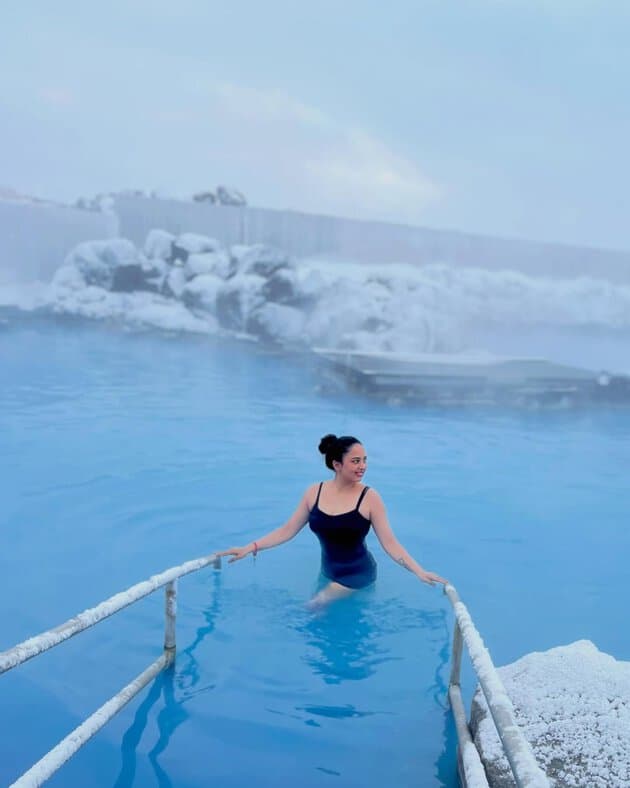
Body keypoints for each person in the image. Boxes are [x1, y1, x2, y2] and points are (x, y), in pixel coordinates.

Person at [218, 434, 447, 608]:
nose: (363, 466)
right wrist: (250, 547)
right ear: (337, 465)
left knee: (312, 608)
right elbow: (287, 530)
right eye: (355, 461)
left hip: (358, 575)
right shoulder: (314, 492)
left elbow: (390, 543)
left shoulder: (370, 498)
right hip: (327, 571)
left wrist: (419, 571)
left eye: (365, 460)